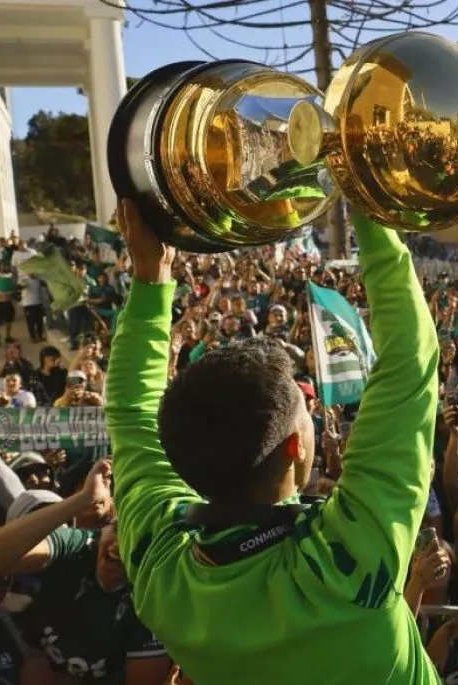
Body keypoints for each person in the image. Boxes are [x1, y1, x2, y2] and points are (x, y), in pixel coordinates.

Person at [107, 199, 440, 683]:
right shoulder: (343, 561)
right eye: (303, 413)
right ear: (294, 447)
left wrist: (149, 282)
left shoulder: (160, 570)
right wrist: (371, 197)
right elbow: (410, 366)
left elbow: (131, 415)